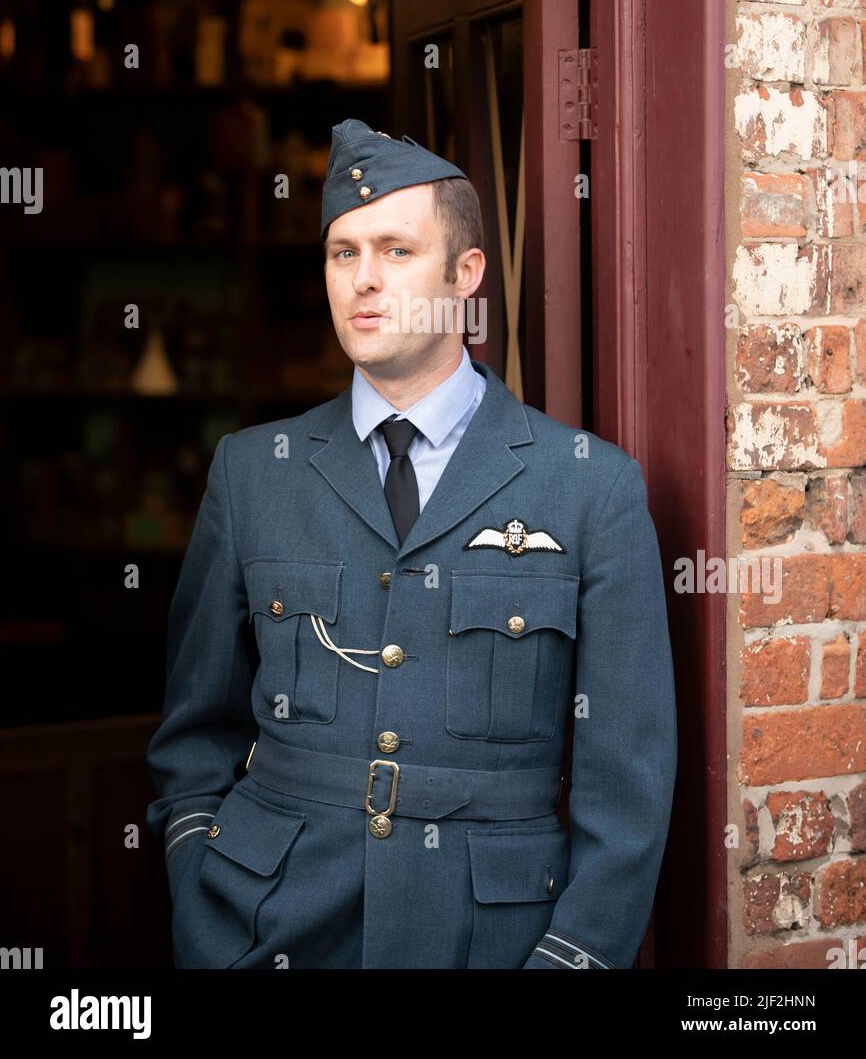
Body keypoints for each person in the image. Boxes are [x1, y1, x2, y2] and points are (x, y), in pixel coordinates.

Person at [146, 117, 677, 970]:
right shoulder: (252, 473)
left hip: (490, 943)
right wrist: (199, 892)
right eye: (342, 252)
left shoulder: (590, 488)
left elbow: (629, 785)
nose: (363, 280)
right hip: (264, 931)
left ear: (466, 275)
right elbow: (193, 733)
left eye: (395, 251)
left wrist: (569, 960)